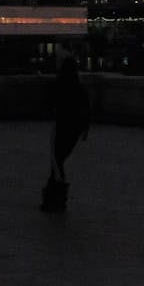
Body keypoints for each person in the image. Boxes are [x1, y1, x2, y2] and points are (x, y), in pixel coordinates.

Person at [41, 56, 90, 212]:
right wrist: (85, 128)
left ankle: (55, 197)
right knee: (59, 161)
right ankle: (56, 197)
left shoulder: (58, 85)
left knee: (57, 161)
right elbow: (86, 109)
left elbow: (48, 102)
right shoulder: (79, 88)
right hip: (74, 129)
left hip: (61, 127)